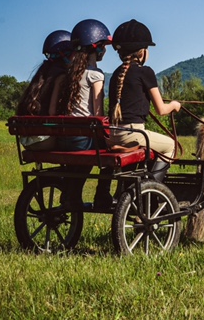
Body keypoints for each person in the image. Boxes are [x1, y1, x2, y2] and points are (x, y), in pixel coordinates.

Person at [49, 19, 113, 210]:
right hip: (83, 140)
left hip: (64, 139)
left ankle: (71, 194)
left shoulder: (65, 75)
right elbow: (99, 114)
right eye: (103, 46)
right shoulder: (96, 76)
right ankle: (102, 194)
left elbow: (53, 112)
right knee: (112, 150)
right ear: (97, 48)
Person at [107, 19, 181, 181]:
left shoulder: (115, 76)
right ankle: (153, 185)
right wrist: (174, 105)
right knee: (171, 146)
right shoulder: (145, 72)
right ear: (142, 52)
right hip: (134, 133)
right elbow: (161, 110)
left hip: (112, 134)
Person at [16, 30, 73, 150]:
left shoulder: (41, 75)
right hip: (45, 141)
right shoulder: (61, 77)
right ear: (66, 55)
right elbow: (52, 112)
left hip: (27, 142)